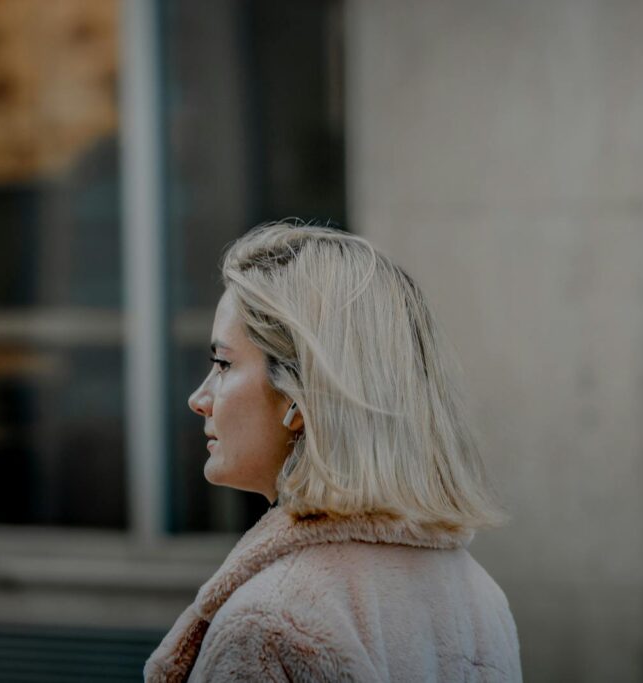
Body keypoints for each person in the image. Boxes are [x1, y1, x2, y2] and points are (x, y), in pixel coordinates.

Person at [144, 223, 521, 682]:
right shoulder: (480, 597)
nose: (199, 399)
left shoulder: (269, 624)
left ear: (300, 395)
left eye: (223, 364)